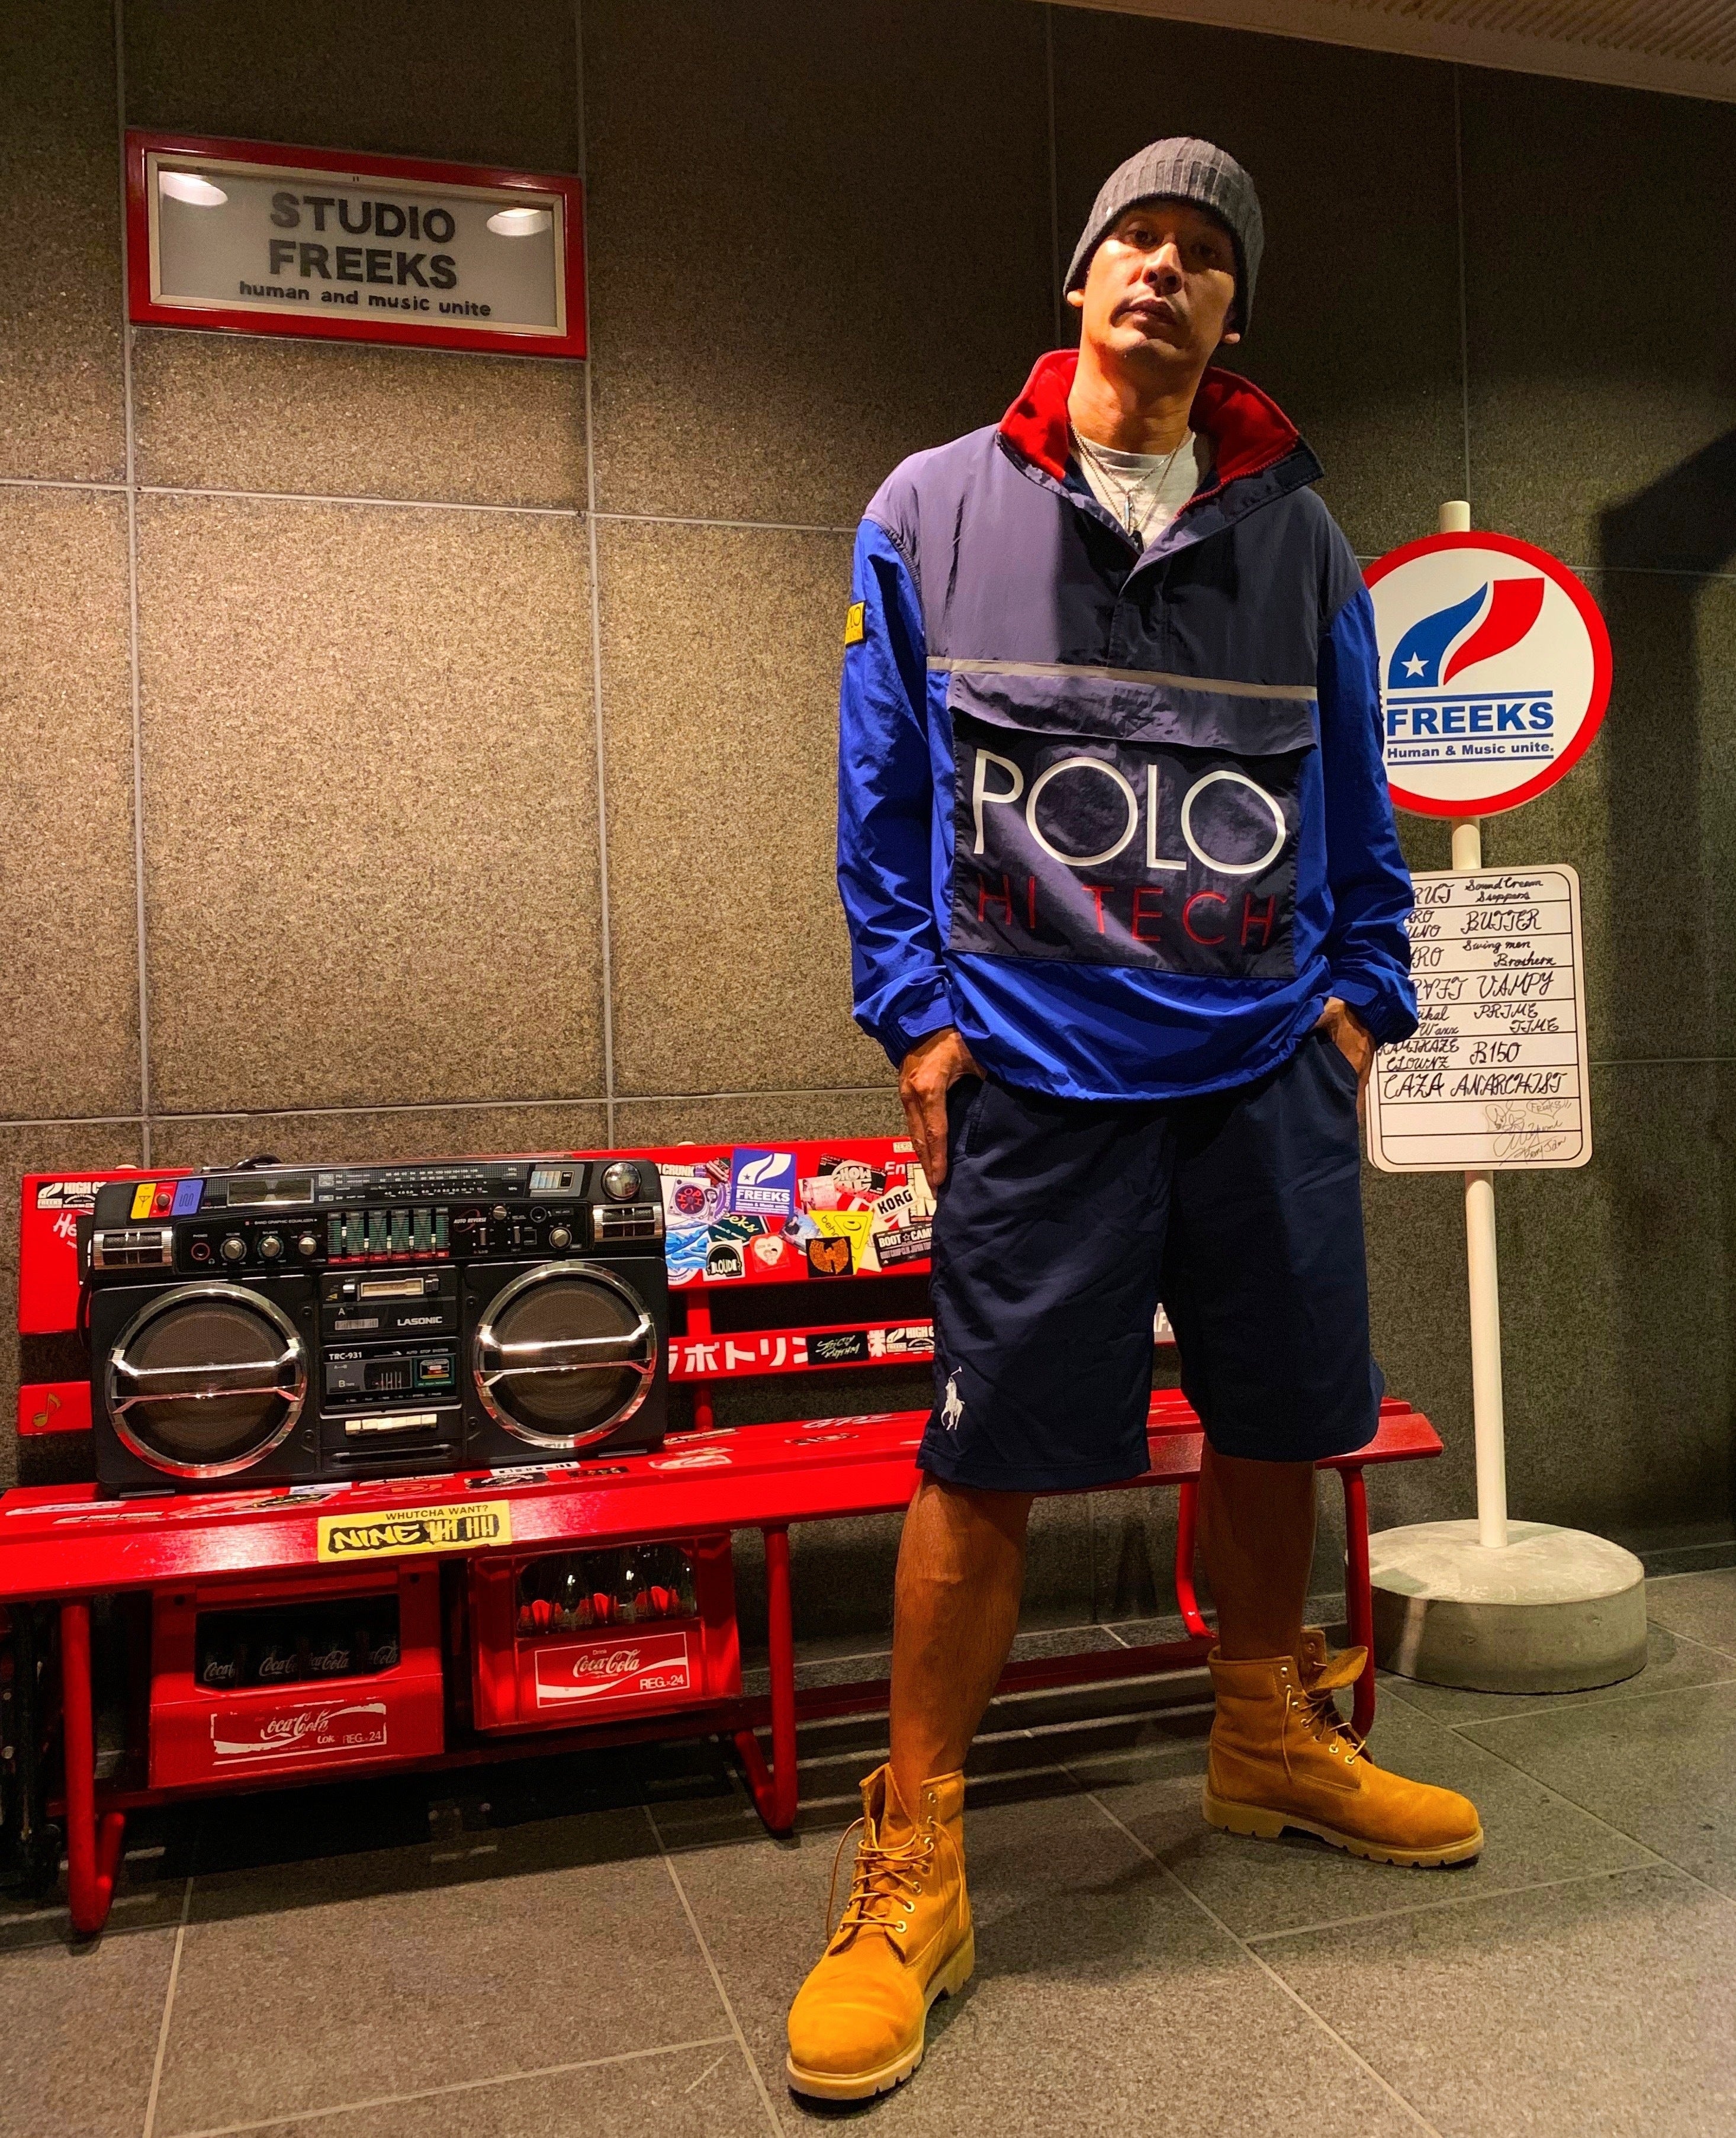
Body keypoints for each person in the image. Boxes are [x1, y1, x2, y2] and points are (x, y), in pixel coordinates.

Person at [786, 137, 1483, 2104]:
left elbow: (1354, 780)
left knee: (1283, 1414)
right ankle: (914, 1853)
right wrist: (919, 1024)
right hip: (1033, 1065)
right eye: (1135, 242)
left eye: (1200, 255)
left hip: (1261, 1059)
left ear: (1229, 312)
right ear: (1081, 280)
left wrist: (1362, 999)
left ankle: (1266, 1734)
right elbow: (879, 792)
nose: (1162, 273)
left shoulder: (1299, 532)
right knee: (985, 1453)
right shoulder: (930, 507)